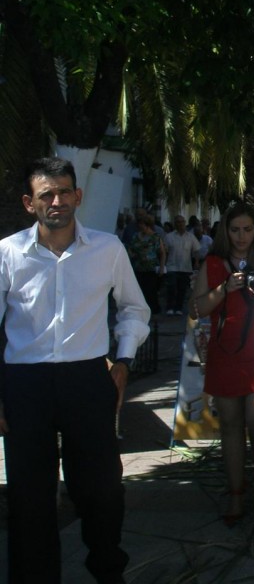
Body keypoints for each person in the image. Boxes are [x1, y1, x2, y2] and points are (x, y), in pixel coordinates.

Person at [1, 157, 151, 584]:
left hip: (87, 380)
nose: (57, 201)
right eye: (46, 194)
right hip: (25, 384)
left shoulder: (107, 249)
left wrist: (124, 361)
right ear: (29, 203)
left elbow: (134, 308)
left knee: (102, 489)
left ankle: (107, 570)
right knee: (29, 496)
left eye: (65, 191)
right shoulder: (8, 253)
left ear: (78, 196)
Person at [192, 201, 254, 525]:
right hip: (225, 352)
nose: (241, 236)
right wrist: (224, 288)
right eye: (234, 230)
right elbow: (197, 308)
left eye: (247, 229)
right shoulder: (213, 263)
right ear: (225, 231)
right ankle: (236, 492)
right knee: (230, 425)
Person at [127, 212, 165, 329]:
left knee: (151, 291)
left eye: (142, 224)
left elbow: (162, 252)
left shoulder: (155, 237)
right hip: (138, 267)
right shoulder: (136, 237)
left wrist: (162, 267)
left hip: (151, 268)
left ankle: (154, 311)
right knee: (140, 291)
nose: (140, 226)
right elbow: (131, 249)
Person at [164, 214, 200, 315]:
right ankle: (170, 307)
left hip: (185, 267)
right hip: (172, 266)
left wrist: (196, 262)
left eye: (182, 222)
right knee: (171, 287)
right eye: (178, 222)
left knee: (182, 289)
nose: (180, 224)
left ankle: (178, 308)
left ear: (185, 223)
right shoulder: (169, 237)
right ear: (175, 224)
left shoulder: (191, 237)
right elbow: (164, 251)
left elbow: (196, 250)